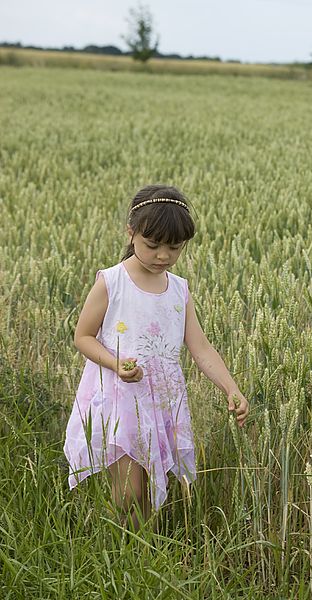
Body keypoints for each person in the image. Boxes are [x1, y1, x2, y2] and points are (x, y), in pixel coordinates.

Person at [63, 184, 249, 533]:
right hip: (120, 399)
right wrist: (117, 363)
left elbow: (201, 347)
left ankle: (139, 558)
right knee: (129, 494)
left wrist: (231, 387)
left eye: (174, 248)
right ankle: (123, 558)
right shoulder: (112, 282)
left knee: (149, 492)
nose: (163, 255)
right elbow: (82, 336)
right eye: (153, 245)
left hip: (162, 401)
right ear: (130, 233)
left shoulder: (179, 289)